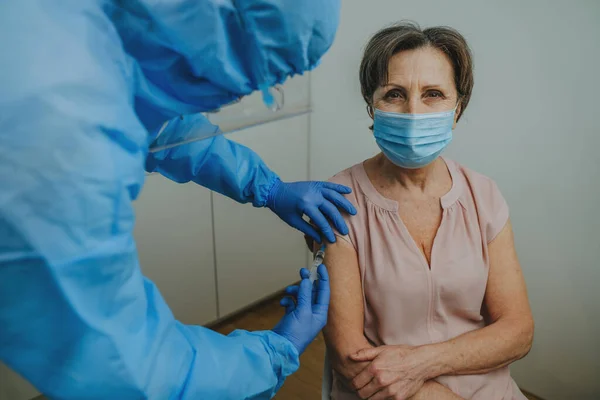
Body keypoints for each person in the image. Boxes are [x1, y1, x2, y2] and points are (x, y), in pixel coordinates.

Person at [0, 1, 352, 399]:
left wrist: (266, 186)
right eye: (244, 82)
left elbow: (166, 126)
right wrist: (271, 354)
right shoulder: (52, 130)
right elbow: (125, 367)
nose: (232, 100)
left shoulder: (88, 30)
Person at [306, 22, 535, 399]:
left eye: (433, 94)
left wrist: (421, 363)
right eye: (394, 94)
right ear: (371, 106)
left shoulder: (484, 196)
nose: (413, 113)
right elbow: (352, 360)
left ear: (457, 108)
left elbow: (518, 331)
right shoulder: (338, 203)